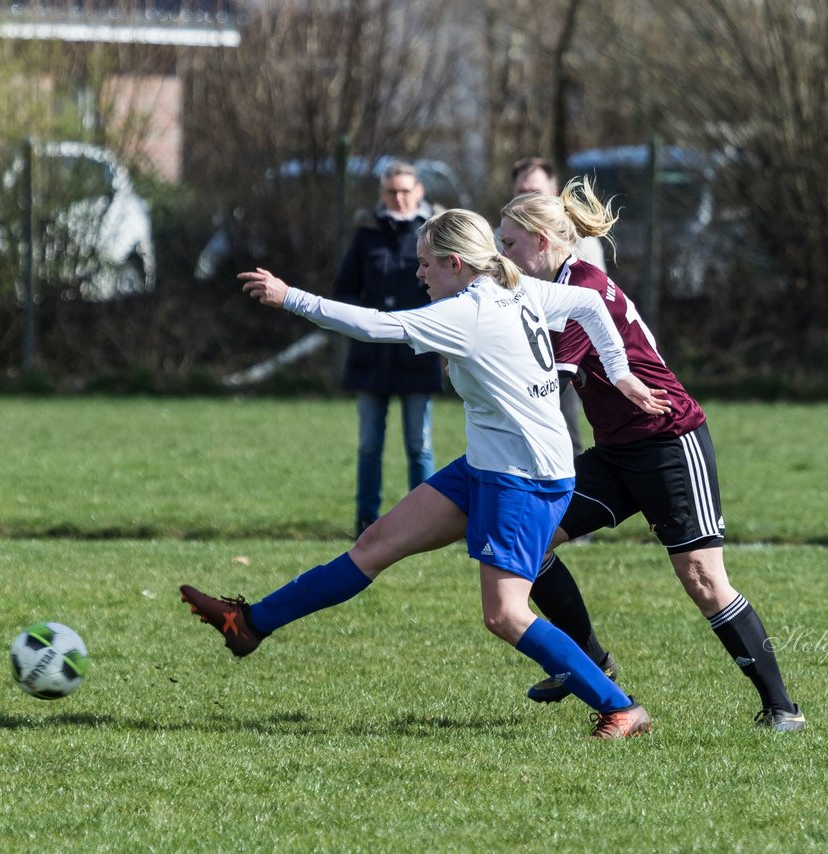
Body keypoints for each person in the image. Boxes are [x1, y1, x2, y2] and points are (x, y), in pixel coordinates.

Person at [180, 208, 672, 739]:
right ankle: (248, 625)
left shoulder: (471, 311)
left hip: (525, 476)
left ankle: (620, 707)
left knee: (505, 615)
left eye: (425, 265)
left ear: (455, 263)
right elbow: (592, 304)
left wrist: (290, 297)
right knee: (373, 545)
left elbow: (374, 325)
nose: (418, 275)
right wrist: (619, 374)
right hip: (489, 463)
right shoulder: (519, 288)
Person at [498, 178, 806, 731]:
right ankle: (590, 663)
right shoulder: (553, 288)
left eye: (511, 244)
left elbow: (550, 378)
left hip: (668, 440)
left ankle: (782, 707)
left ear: (543, 242)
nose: (504, 256)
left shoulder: (583, 287)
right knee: (532, 538)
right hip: (617, 451)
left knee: (702, 577)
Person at [332, 161, 444, 537]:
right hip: (372, 356)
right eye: (391, 191)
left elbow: (449, 289)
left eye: (405, 190)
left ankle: (426, 522)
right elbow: (343, 290)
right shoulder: (366, 237)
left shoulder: (434, 234)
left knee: (419, 444)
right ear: (381, 195)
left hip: (417, 352)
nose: (399, 198)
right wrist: (367, 319)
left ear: (419, 192)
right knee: (369, 444)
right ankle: (366, 520)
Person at [510, 157, 601, 460]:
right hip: (518, 352)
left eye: (534, 191)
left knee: (563, 433)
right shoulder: (508, 238)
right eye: (521, 191)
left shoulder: (578, 239)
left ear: (553, 190)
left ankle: (569, 499)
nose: (527, 198)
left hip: (563, 353)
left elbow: (592, 301)